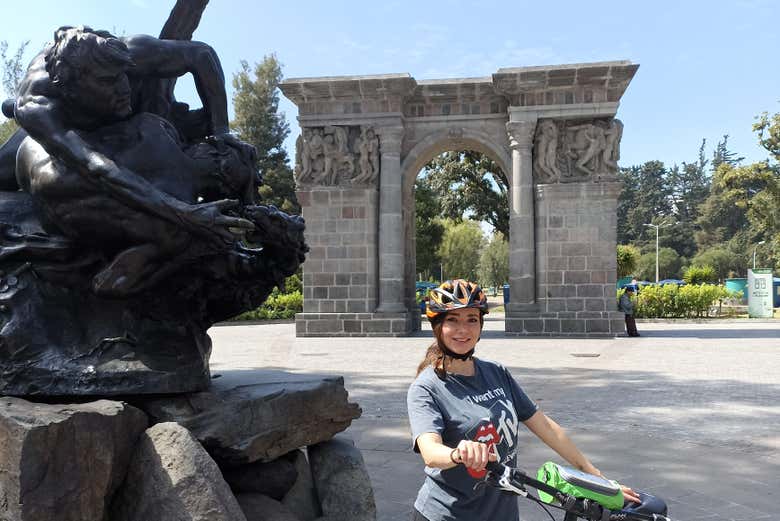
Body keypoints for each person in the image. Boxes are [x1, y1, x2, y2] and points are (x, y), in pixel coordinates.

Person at [407, 279, 642, 521]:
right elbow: (430, 451)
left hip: (502, 513)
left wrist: (600, 482)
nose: (463, 329)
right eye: (452, 320)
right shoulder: (426, 387)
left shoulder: (495, 372)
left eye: (471, 319)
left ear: (480, 324)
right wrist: (458, 453)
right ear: (437, 326)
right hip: (446, 515)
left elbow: (547, 427)